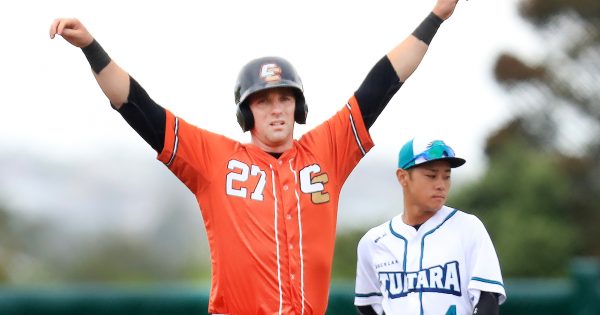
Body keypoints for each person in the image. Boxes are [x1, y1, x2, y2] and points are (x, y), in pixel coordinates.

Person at [49, 1, 461, 314]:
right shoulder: (214, 159)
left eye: (285, 98)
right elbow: (137, 107)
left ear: (298, 107)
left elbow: (383, 83)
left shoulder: (327, 150)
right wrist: (91, 47)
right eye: (263, 101)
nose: (277, 109)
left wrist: (436, 16)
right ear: (247, 112)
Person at [354, 137, 507, 315]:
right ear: (403, 177)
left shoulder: (468, 228)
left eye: (447, 176)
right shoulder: (374, 242)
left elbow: (487, 299)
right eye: (431, 176)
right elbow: (367, 304)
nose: (441, 185)